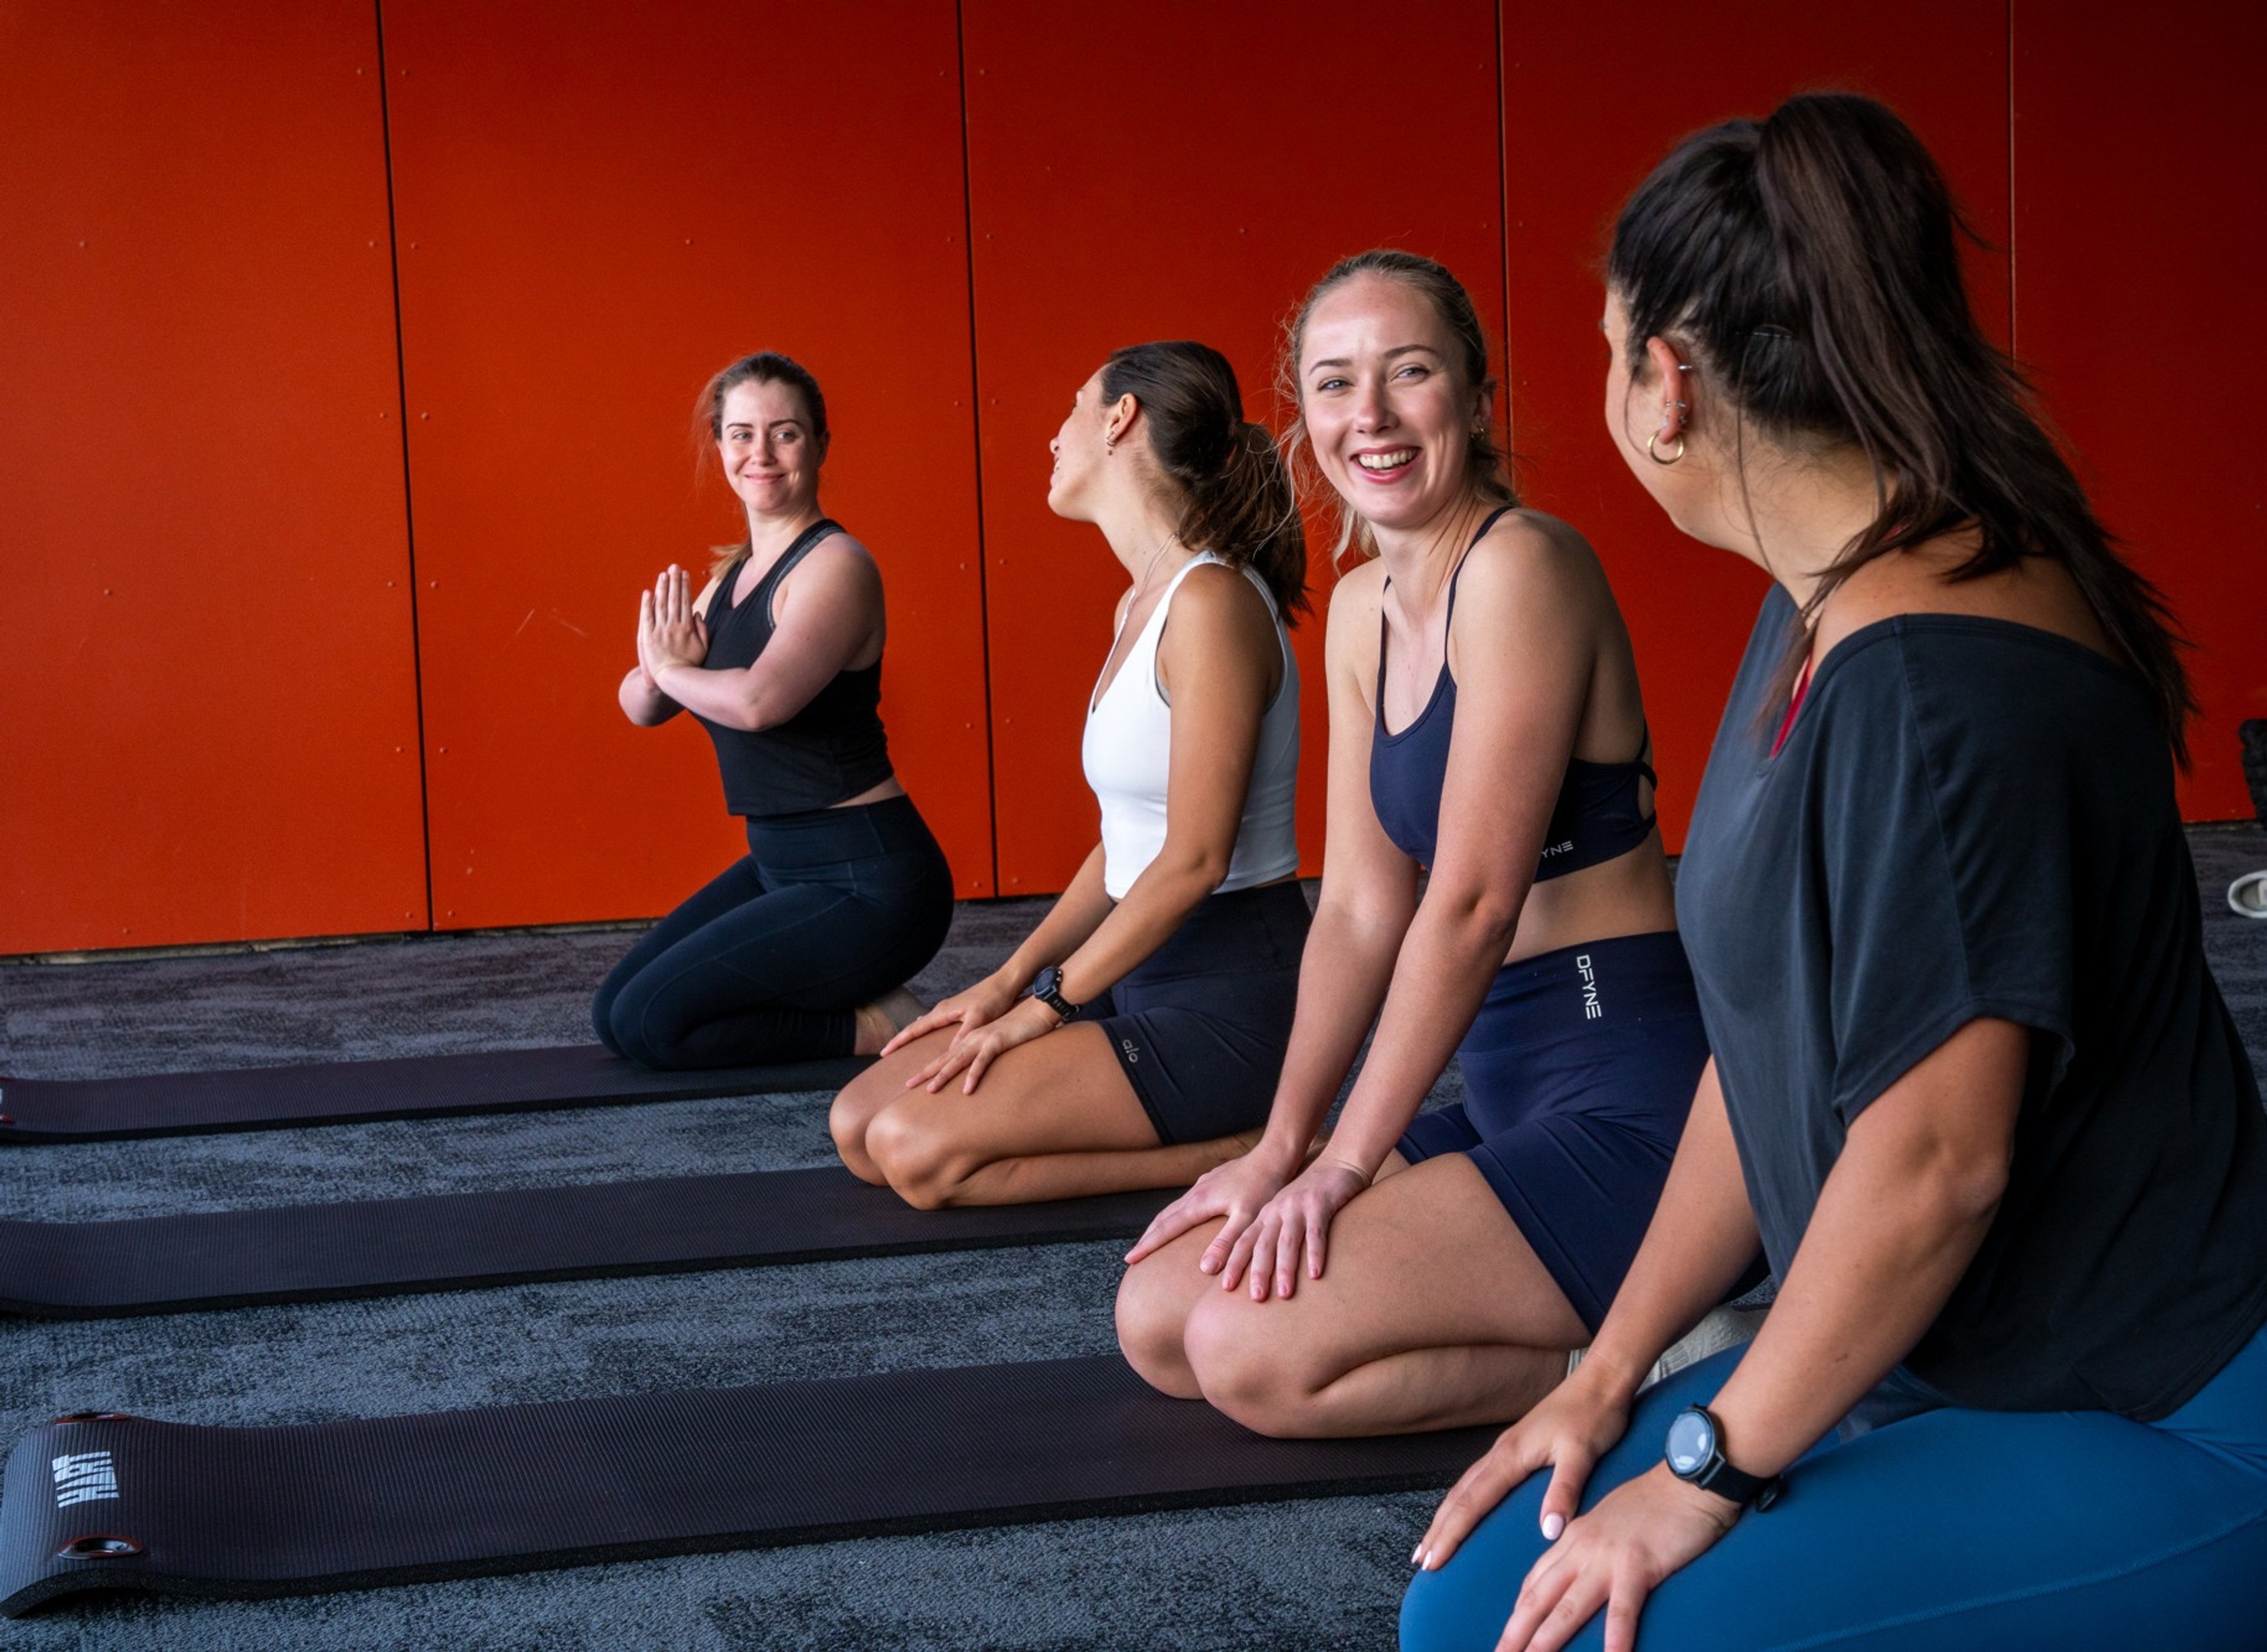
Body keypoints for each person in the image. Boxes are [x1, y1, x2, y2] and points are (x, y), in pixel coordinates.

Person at [1402, 94, 2267, 1652]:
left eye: (1606, 352)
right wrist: (1608, 1373)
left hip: (2164, 1405)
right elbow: (1767, 1040)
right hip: (1949, 1352)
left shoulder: (1930, 686)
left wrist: (1713, 1463)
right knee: (1475, 1596)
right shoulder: (1823, 598)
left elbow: (1938, 1161)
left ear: (1666, 384)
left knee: (1498, 1638)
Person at [1116, 251, 1719, 1440]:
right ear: (1306, 418)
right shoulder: (1355, 612)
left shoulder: (1525, 565)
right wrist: (1280, 1147)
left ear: (1477, 396)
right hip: (1500, 1088)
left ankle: (1653, 1353)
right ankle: (1605, 1329)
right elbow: (1355, 912)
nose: (1371, 416)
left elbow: (1475, 904)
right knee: (1158, 1314)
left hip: (1625, 1089)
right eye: (1336, 384)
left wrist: (1347, 1160)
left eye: (1410, 373)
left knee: (1252, 1353)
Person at [828, 341, 1312, 1208]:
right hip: (1129, 970)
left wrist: (1046, 1006)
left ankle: (1263, 1143)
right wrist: (1006, 981)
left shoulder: (1212, 603)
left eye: (1073, 406)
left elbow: (1196, 859)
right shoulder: (1141, 601)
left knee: (916, 1151)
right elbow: (1124, 844)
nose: (1054, 437)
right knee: (859, 1121)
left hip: (1228, 996)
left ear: (1120, 417)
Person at [593, 351, 952, 1069]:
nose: (760, 453)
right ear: (720, 446)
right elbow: (640, 704)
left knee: (657, 1023)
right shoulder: (731, 577)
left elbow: (759, 703)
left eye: (785, 433)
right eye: (741, 433)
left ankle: (884, 1028)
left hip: (871, 881)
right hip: (779, 864)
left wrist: (671, 669)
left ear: (819, 445)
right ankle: (857, 1002)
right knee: (616, 1015)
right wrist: (661, 671)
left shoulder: (836, 567)